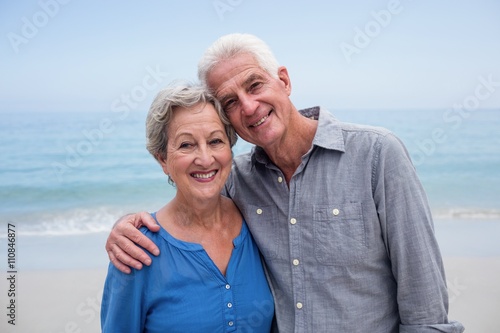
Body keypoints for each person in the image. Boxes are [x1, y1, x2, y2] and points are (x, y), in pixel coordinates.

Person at [105, 34, 465, 332]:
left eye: (255, 84)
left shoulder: (377, 155)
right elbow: (191, 204)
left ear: (285, 81)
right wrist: (125, 227)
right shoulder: (237, 180)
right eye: (230, 101)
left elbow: (426, 309)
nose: (249, 106)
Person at [100, 83, 274, 332]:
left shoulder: (256, 219)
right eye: (186, 145)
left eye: (215, 141)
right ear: (162, 159)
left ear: (230, 147)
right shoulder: (136, 250)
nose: (205, 159)